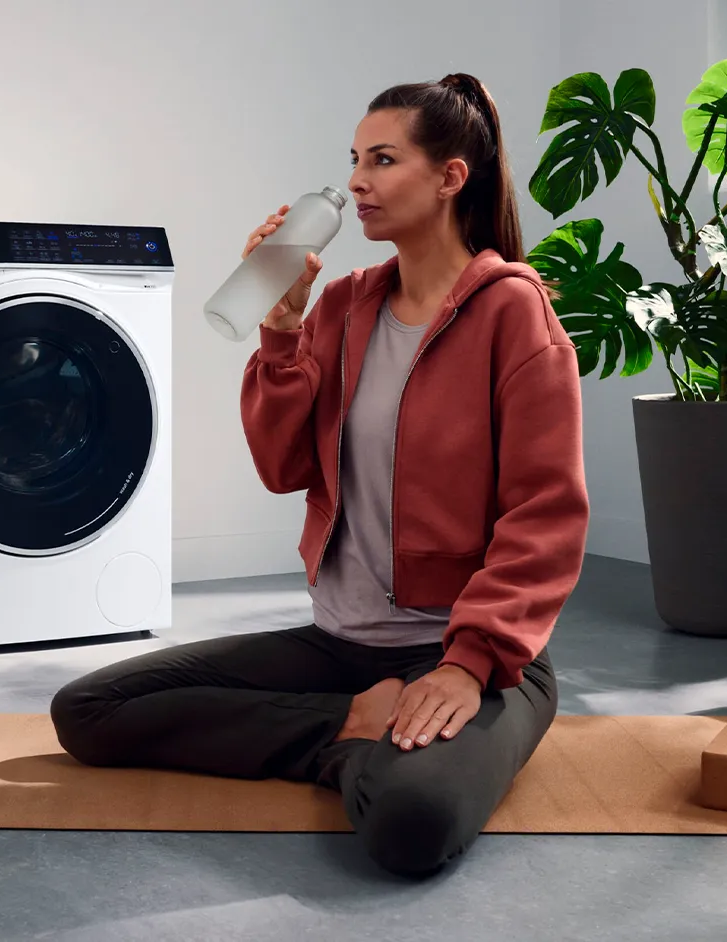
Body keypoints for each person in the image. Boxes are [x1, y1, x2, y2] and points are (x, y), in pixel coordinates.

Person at [49, 73, 589, 877]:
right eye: (354, 160)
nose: (358, 182)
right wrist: (282, 327)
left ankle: (390, 737)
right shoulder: (342, 305)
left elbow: (545, 513)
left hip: (468, 651)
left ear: (450, 178)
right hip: (341, 647)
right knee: (90, 710)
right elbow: (283, 468)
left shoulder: (512, 312)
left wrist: (465, 665)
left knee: (412, 821)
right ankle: (350, 727)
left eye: (383, 160)